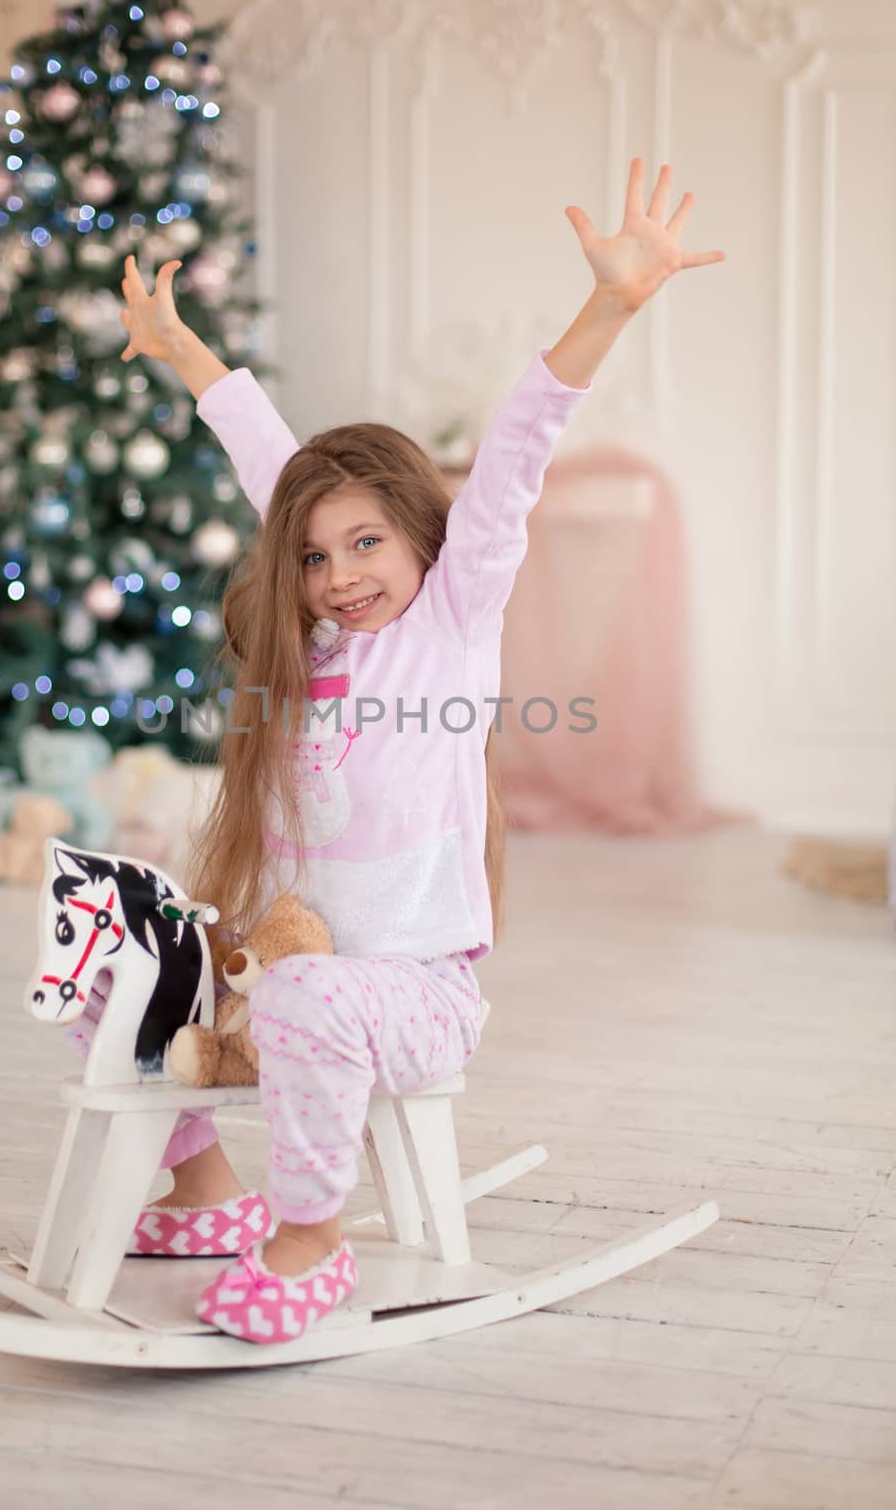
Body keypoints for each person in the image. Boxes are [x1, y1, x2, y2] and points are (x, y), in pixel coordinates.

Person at [97, 159, 724, 1344]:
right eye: (316, 556)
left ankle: (308, 1234)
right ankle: (200, 1188)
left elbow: (517, 453)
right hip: (273, 980)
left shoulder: (450, 618)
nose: (340, 576)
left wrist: (610, 305)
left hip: (410, 993)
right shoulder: (310, 647)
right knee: (116, 951)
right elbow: (265, 461)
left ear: (422, 539)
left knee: (311, 994)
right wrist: (181, 351)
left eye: (366, 542)